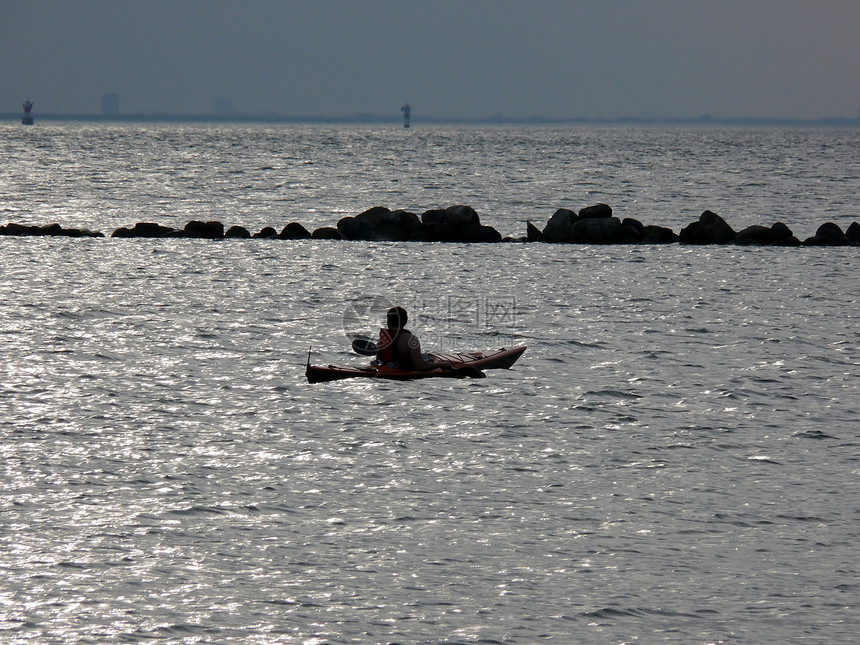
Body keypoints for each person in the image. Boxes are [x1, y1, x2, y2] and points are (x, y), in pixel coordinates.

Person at [376, 306, 452, 371]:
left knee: (426, 356)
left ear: (388, 321)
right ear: (405, 321)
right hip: (405, 374)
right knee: (429, 359)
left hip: (387, 372)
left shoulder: (381, 341)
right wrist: (440, 365)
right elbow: (421, 366)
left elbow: (379, 362)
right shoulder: (411, 339)